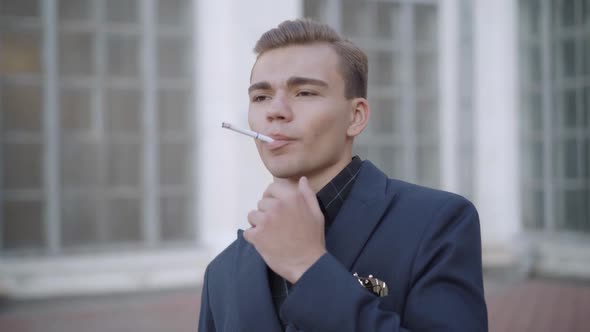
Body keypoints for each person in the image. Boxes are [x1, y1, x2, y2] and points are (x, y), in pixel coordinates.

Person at [198, 19, 488, 332]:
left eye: (305, 92)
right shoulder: (221, 273)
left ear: (356, 116)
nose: (275, 111)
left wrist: (308, 267)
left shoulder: (437, 224)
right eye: (261, 97)